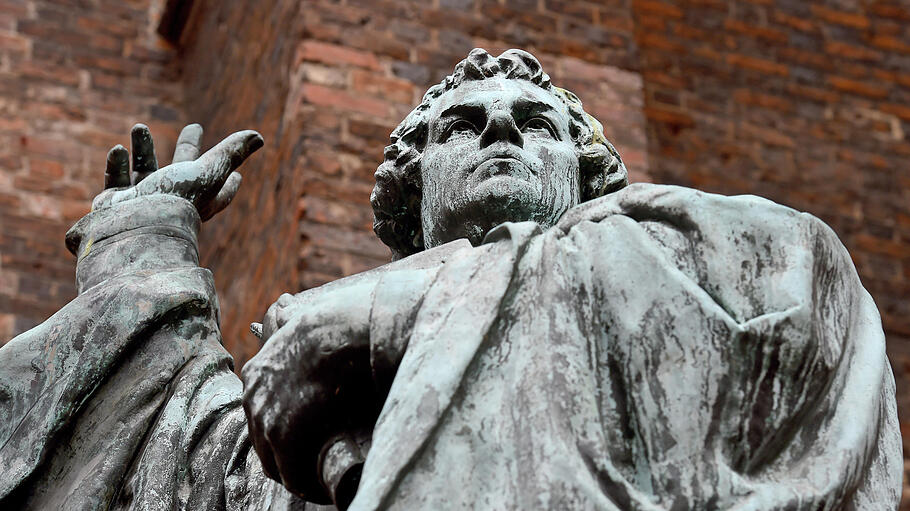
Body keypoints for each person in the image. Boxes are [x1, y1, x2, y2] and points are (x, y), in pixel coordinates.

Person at [0, 49, 901, 511]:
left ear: (586, 176)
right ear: (413, 185)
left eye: (536, 124)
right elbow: (194, 481)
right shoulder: (324, 381)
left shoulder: (701, 255)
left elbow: (803, 286)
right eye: (462, 125)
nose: (501, 131)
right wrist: (140, 251)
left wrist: (390, 311)